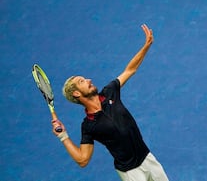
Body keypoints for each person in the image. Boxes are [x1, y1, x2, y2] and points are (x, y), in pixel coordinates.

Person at [52, 24, 169, 181]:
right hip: (130, 172)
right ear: (77, 93)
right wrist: (63, 136)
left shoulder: (110, 92)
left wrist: (146, 46)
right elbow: (83, 160)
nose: (89, 80)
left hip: (148, 158)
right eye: (82, 81)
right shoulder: (89, 126)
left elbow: (130, 70)